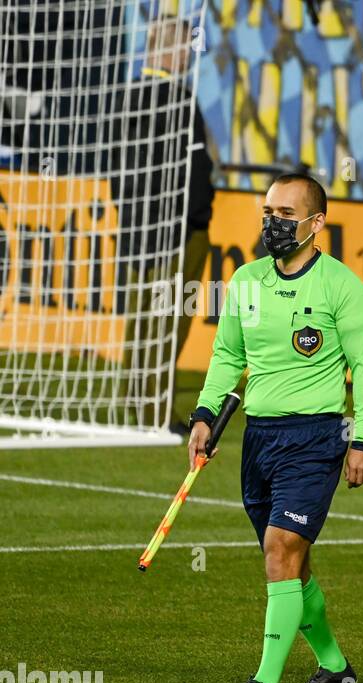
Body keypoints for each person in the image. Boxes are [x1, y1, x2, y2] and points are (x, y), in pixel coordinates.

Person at [189, 173, 363, 683]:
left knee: (281, 549)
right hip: (259, 439)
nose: (272, 222)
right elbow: (227, 356)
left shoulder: (343, 287)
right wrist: (205, 414)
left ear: (316, 223)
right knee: (290, 564)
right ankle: (336, 668)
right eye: (268, 212)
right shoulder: (246, 280)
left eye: (285, 214)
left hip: (315, 438)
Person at [115, 15, 215, 434]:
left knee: (141, 320)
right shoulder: (178, 99)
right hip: (176, 233)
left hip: (137, 231)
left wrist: (130, 216)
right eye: (185, 48)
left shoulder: (128, 96)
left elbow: (116, 168)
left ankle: (130, 403)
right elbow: (194, 170)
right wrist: (197, 220)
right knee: (167, 322)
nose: (189, 56)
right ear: (171, 51)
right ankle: (156, 415)